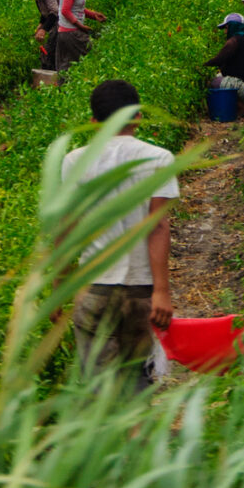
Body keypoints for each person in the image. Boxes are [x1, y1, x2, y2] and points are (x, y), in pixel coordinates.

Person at [59, 79, 180, 390]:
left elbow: (65, 228)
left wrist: (59, 287)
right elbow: (158, 225)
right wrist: (162, 291)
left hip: (93, 288)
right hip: (139, 291)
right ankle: (136, 435)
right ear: (138, 116)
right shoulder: (159, 158)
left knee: (96, 388)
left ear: (94, 122)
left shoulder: (74, 161)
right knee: (137, 382)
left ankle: (103, 435)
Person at [54, 0, 105, 74]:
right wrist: (80, 26)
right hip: (71, 32)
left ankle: (64, 89)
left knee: (67, 64)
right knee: (92, 53)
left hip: (66, 32)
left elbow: (77, 8)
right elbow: (65, 10)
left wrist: (94, 15)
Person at [205, 12, 244, 108]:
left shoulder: (234, 41)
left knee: (213, 81)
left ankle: (241, 108)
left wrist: (203, 65)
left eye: (226, 28)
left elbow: (218, 59)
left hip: (243, 88)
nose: (225, 32)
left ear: (233, 26)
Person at [19, 0, 66, 69]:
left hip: (64, 19)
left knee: (49, 50)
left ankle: (50, 72)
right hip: (57, 17)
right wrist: (41, 24)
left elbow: (54, 11)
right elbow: (46, 11)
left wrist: (43, 30)